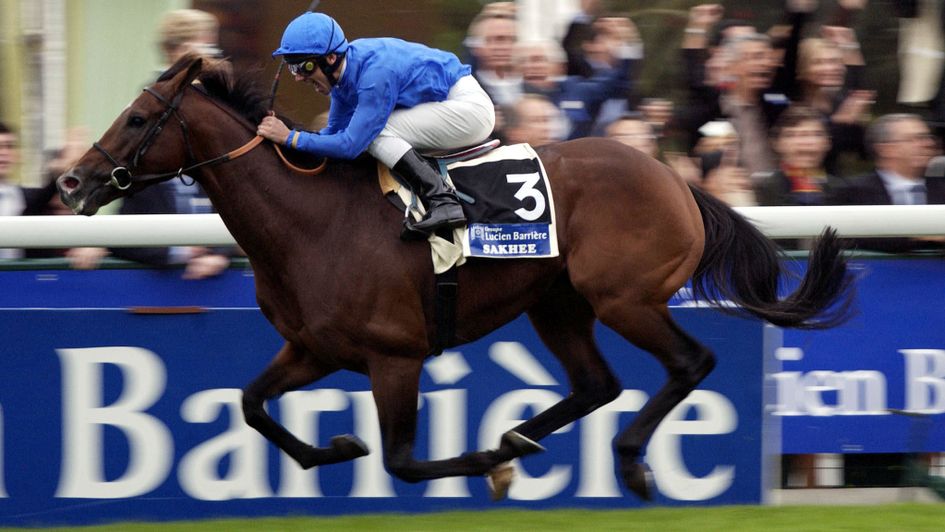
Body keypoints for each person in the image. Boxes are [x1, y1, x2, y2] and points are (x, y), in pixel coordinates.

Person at [257, 12, 496, 239]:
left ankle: (443, 201)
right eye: (292, 67)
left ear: (331, 58)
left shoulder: (374, 75)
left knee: (376, 133)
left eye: (305, 67)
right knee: (367, 131)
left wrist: (290, 137)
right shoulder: (343, 75)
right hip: (450, 103)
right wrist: (292, 146)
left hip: (469, 110)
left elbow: (350, 145)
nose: (298, 77)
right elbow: (332, 135)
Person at [837, 113, 945, 253]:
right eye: (916, 139)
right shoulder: (851, 192)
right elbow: (848, 239)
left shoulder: (941, 188)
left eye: (928, 138)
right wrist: (918, 234)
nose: (928, 144)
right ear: (886, 149)